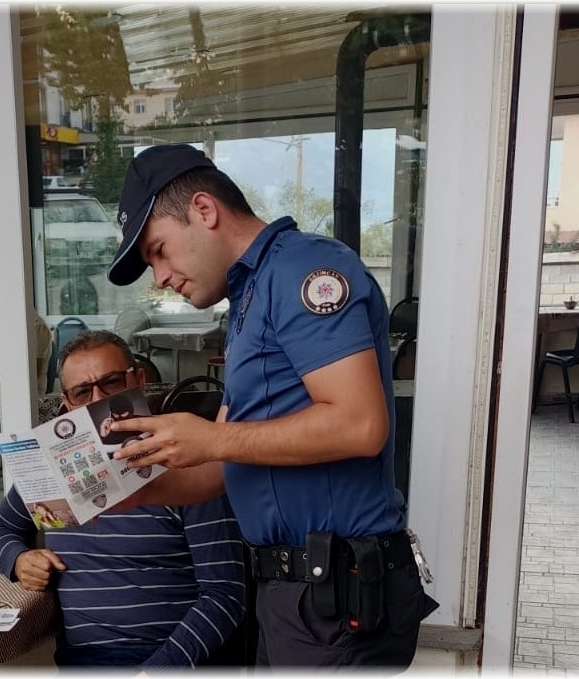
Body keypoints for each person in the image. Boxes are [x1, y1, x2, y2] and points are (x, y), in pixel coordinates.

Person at [103, 144, 437, 669]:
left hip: (336, 594)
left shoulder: (306, 270)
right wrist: (127, 494)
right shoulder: (249, 296)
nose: (160, 277)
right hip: (294, 596)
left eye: (159, 250)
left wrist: (211, 437)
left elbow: (360, 424)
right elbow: (221, 466)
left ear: (204, 211)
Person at [0, 330, 246, 669]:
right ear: (67, 402)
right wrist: (17, 560)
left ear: (138, 380)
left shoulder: (187, 464)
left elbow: (226, 595)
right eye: (82, 391)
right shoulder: (54, 469)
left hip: (178, 661)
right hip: (85, 661)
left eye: (111, 382)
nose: (97, 399)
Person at [0, 307, 52, 479]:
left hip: (25, 388)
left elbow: (33, 372)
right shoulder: (9, 323)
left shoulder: (36, 326)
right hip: (1, 385)